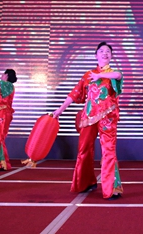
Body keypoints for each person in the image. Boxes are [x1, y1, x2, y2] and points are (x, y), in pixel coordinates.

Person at [53, 42, 124, 200]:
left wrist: (100, 76)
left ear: (111, 56)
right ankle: (86, 183)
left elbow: (117, 76)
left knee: (108, 151)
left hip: (107, 117)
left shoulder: (114, 73)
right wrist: (60, 110)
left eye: (108, 51)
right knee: (84, 149)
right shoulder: (88, 75)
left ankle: (111, 188)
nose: (105, 53)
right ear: (96, 55)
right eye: (101, 51)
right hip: (88, 117)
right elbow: (74, 94)